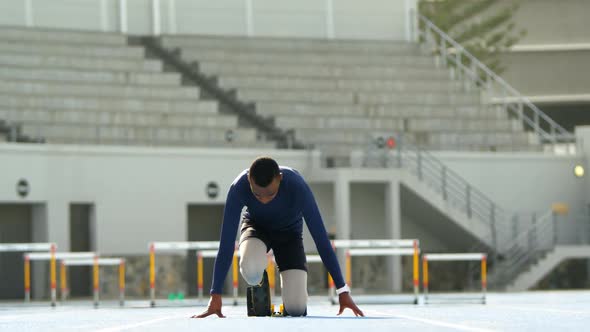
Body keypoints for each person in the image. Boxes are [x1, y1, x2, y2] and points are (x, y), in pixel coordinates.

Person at [193, 156, 364, 318]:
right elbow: (226, 244)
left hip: (289, 235)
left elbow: (322, 240)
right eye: (257, 195)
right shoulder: (239, 187)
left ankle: (288, 301)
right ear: (249, 179)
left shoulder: (297, 186)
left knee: (296, 309)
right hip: (256, 229)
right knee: (250, 270)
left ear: (280, 178)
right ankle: (259, 284)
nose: (264, 200)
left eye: (271, 194)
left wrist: (342, 290)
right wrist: (215, 294)